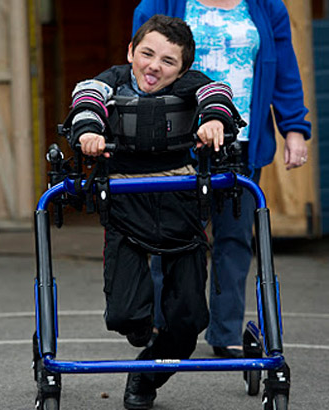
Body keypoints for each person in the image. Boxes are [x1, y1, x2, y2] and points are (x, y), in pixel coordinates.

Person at [66, 14, 243, 409]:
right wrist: (89, 132)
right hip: (126, 202)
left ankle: (146, 376)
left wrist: (214, 119)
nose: (153, 66)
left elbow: (217, 93)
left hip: (179, 199)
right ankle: (140, 328)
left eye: (168, 61)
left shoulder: (191, 84)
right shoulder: (109, 81)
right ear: (131, 51)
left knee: (188, 320)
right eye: (146, 54)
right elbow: (86, 98)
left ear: (182, 68)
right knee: (126, 316)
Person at [132, 0, 312, 359]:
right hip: (178, 141)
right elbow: (140, 66)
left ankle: (226, 333)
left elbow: (285, 69)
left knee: (235, 240)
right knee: (170, 236)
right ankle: (162, 325)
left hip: (240, 144)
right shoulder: (161, 3)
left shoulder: (265, 6)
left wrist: (294, 128)